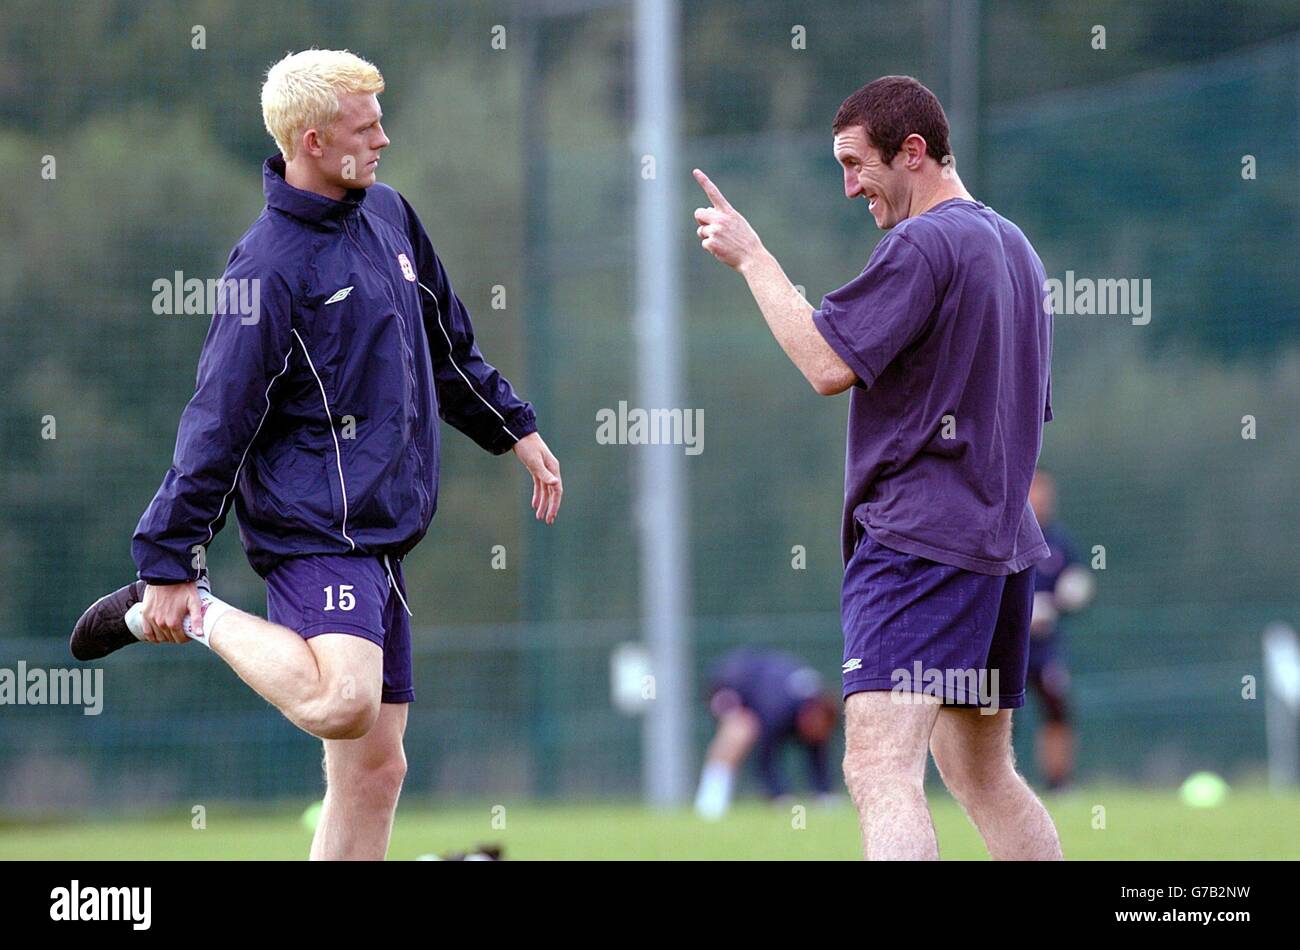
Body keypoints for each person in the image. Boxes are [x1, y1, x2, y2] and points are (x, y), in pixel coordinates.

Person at [69, 49, 562, 860]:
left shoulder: (390, 214)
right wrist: (169, 558)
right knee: (343, 705)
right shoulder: (266, 268)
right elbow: (218, 420)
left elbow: (444, 343)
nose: (384, 140)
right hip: (315, 533)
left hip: (385, 536)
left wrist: (513, 427)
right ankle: (199, 613)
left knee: (373, 772)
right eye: (365, 128)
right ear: (310, 141)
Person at [693, 75, 1062, 859]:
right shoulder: (1018, 249)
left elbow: (827, 363)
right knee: (981, 773)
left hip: (920, 543)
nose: (849, 185)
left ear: (915, 152)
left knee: (878, 766)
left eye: (857, 164)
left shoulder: (922, 242)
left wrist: (755, 260)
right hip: (1002, 546)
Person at [694, 648, 838, 819]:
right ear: (807, 714)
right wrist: (779, 795)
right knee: (739, 730)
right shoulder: (777, 710)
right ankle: (710, 802)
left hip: (766, 680)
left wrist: (824, 793)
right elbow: (764, 756)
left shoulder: (822, 712)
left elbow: (818, 751)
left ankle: (821, 795)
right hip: (731, 682)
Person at [1027, 470, 1095, 791]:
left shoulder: (1061, 541)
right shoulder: (1004, 537)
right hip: (1006, 645)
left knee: (1057, 711)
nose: (1040, 501)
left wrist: (1071, 596)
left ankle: (1058, 783)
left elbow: (1076, 585)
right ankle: (990, 783)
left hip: (1046, 646)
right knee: (993, 715)